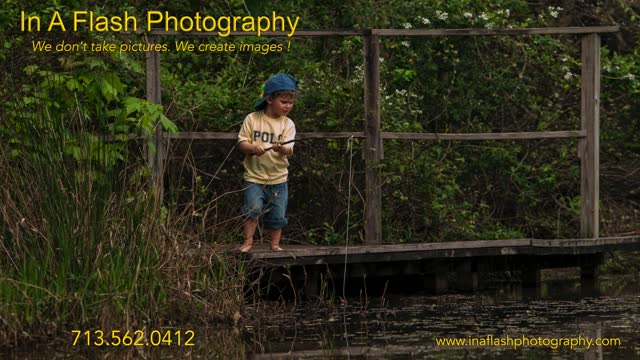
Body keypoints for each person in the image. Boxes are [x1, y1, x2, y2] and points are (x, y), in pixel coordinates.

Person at [237, 73, 298, 252]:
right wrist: (253, 148)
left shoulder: (288, 124)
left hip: (278, 178)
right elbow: (242, 143)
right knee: (252, 209)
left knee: (278, 214)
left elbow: (290, 150)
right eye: (284, 102)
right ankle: (248, 242)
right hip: (254, 177)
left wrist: (282, 148)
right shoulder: (252, 119)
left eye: (291, 103)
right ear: (270, 99)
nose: (288, 106)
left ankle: (275, 244)